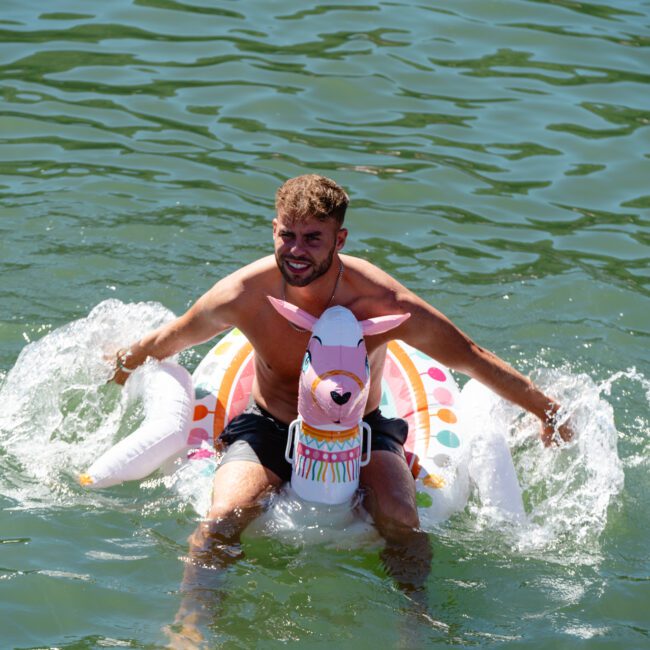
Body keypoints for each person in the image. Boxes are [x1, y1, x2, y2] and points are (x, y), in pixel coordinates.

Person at [113, 174, 571, 635]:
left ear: (340, 239)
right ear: (273, 229)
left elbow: (469, 356)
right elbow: (174, 336)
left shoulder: (379, 300)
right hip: (269, 425)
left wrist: (545, 409)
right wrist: (123, 361)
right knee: (224, 515)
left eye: (313, 238)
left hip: (362, 428)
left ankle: (414, 626)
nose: (296, 250)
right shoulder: (247, 295)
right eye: (286, 235)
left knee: (401, 517)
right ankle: (191, 627)